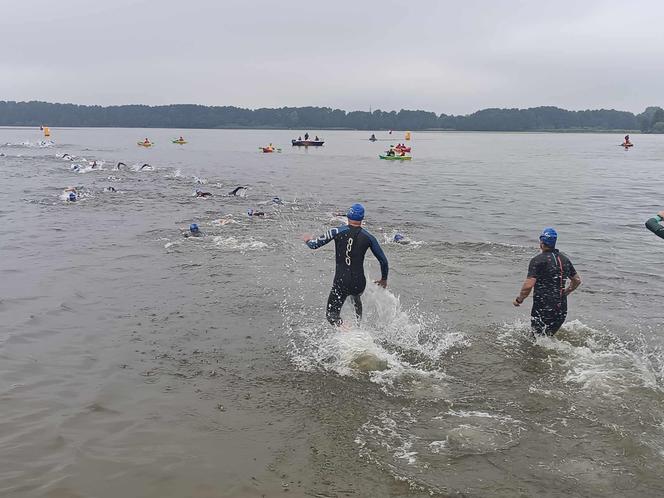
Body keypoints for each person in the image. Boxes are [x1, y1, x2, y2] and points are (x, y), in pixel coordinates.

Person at [302, 203, 388, 327]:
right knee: (355, 296)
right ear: (362, 219)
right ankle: (359, 327)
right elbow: (383, 261)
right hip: (359, 283)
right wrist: (383, 279)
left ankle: (344, 327)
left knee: (331, 315)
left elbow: (314, 245)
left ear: (348, 216)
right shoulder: (369, 238)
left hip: (341, 281)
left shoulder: (336, 231)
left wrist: (307, 239)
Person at [513, 228, 582, 336]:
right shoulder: (565, 259)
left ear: (541, 243)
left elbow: (528, 285)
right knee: (548, 337)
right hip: (561, 308)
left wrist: (519, 299)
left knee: (536, 338)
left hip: (543, 305)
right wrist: (567, 292)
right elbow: (577, 281)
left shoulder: (538, 260)